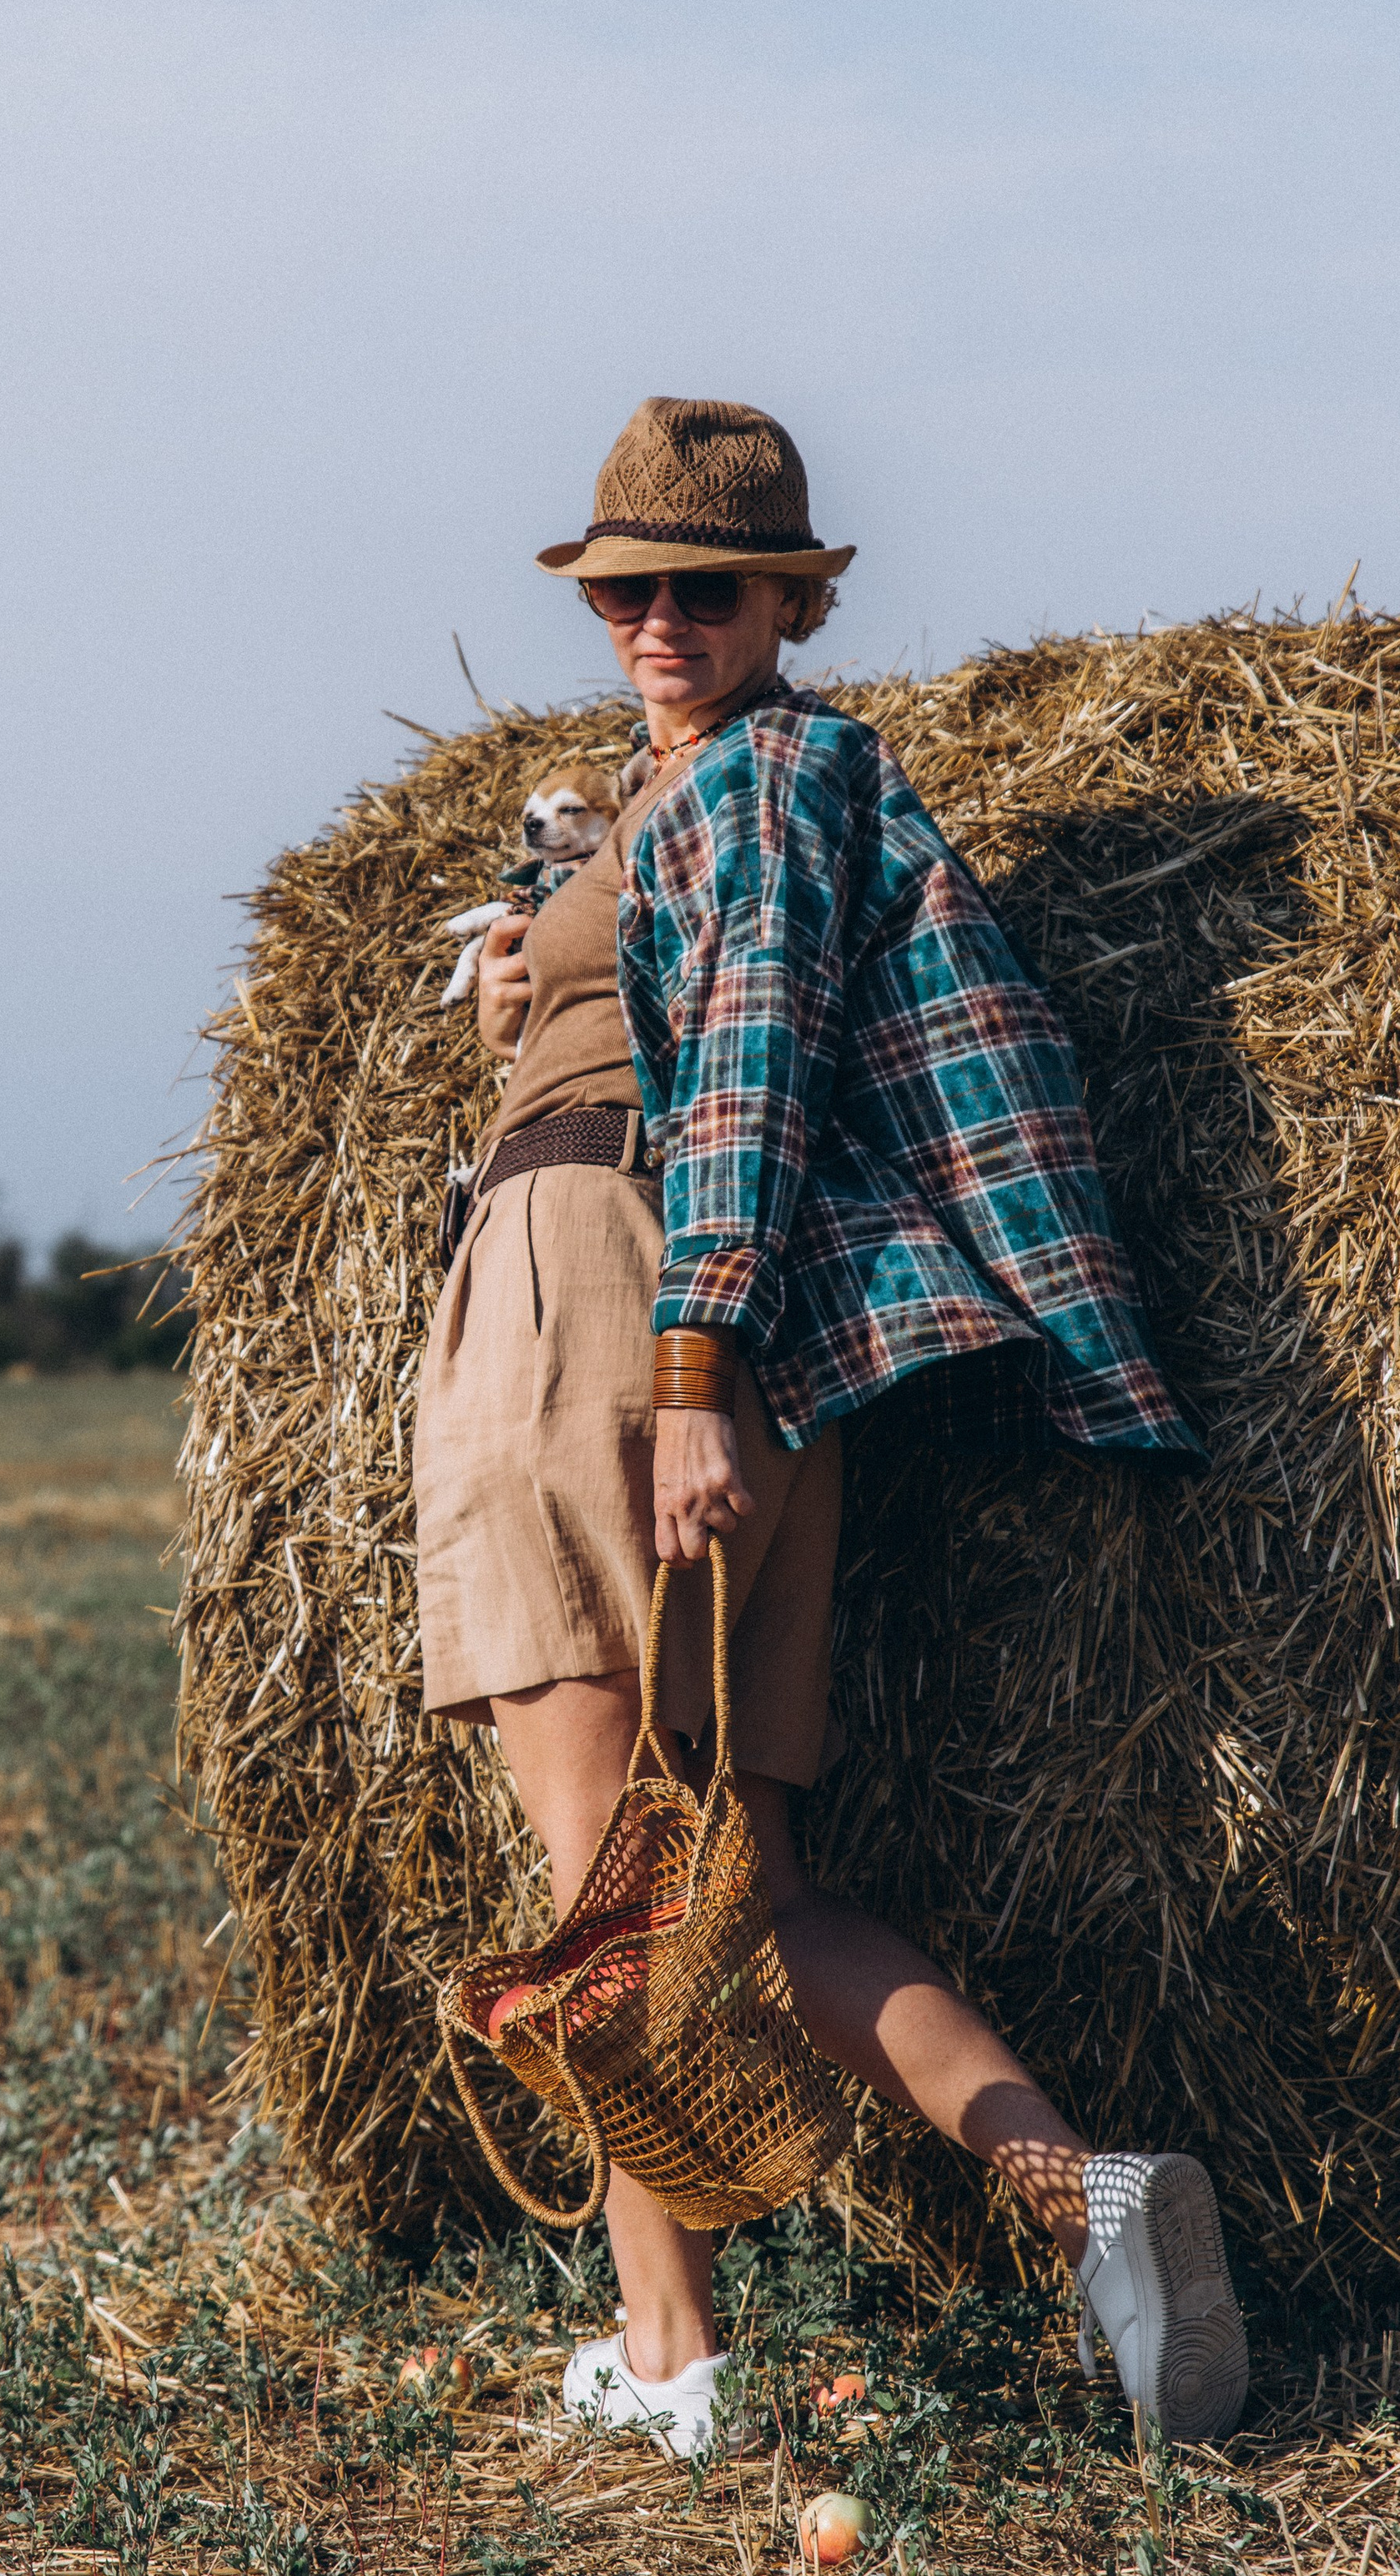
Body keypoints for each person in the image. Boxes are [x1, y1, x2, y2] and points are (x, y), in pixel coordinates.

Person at [412, 396, 1247, 2455]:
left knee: (608, 1905)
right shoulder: (677, 790)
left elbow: (753, 1069)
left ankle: (670, 2364)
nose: (658, 620)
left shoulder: (766, 774)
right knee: (742, 1898)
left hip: (614, 1310)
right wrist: (528, 989)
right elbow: (677, 1016)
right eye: (624, 591)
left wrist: (689, 1371)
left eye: (706, 588)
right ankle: (1085, 2193)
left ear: (791, 601)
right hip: (683, 1321)